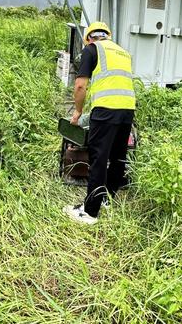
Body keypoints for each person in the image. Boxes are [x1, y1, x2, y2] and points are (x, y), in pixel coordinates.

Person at [63, 21, 136, 225]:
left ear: (89, 38)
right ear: (108, 36)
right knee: (118, 156)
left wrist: (78, 112)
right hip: (128, 108)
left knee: (98, 157)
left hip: (105, 110)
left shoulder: (92, 49)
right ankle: (107, 198)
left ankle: (90, 212)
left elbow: (80, 86)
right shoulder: (123, 52)